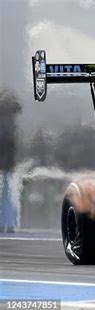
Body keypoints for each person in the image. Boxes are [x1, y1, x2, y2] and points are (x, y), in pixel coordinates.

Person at [0, 89, 21, 233]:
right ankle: (9, 224)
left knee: (6, 192)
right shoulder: (11, 121)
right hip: (8, 162)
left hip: (6, 161)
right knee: (8, 193)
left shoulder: (5, 121)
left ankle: (6, 223)